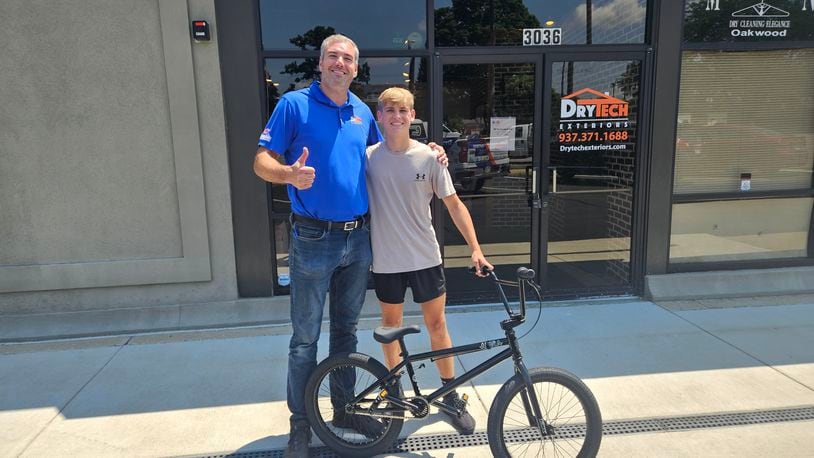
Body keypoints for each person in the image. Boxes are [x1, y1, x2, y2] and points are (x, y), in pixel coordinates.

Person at [253, 35, 445, 458]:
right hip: (313, 238)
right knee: (304, 338)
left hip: (358, 239)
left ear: (356, 69)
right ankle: (301, 423)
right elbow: (260, 160)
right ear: (320, 63)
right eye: (333, 57)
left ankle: (342, 410)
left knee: (345, 333)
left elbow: (392, 149)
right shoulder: (293, 104)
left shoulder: (362, 111)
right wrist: (287, 174)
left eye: (348, 59)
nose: (340, 64)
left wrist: (431, 150)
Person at [366, 87, 493, 435]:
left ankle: (449, 395)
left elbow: (454, 204)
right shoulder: (368, 157)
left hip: (425, 257)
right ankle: (393, 394)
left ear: (412, 116)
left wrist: (475, 247)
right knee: (389, 331)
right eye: (389, 110)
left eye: (402, 110)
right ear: (380, 116)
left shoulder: (429, 158)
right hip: (387, 261)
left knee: (438, 326)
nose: (396, 116)